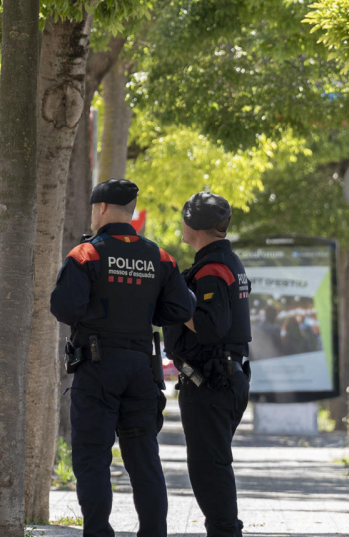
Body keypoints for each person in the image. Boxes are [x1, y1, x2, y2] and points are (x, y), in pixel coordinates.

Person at [50, 178, 194, 537]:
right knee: (144, 457)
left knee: (93, 457)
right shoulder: (159, 256)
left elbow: (64, 307)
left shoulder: (86, 254)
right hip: (141, 369)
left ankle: (99, 532)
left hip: (97, 368)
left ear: (100, 209)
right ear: (130, 213)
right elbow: (180, 307)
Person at [164, 191, 252, 537]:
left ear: (194, 224)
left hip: (211, 382)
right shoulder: (228, 262)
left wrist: (177, 300)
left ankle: (226, 532)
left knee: (209, 468)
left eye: (184, 217)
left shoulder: (213, 268)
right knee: (212, 465)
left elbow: (209, 326)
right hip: (226, 377)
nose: (181, 224)